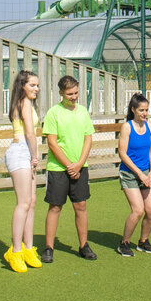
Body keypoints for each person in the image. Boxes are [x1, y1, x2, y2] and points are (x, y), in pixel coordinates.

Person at [40, 75, 96, 262]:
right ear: (61, 93)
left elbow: (88, 138)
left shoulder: (83, 112)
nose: (73, 96)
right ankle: (48, 247)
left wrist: (79, 163)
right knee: (55, 207)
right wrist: (69, 165)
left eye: (76, 93)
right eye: (69, 93)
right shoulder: (53, 113)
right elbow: (52, 143)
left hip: (81, 167)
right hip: (57, 169)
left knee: (81, 206)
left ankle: (83, 245)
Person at [3, 70, 43, 273]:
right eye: (32, 85)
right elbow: (30, 132)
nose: (36, 89)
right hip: (21, 152)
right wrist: (35, 156)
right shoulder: (25, 103)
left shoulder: (27, 102)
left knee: (32, 202)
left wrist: (33, 156)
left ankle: (28, 248)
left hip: (25, 152)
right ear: (23, 86)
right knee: (24, 202)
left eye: (37, 85)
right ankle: (15, 251)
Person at [115, 92, 151, 257]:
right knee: (138, 210)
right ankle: (124, 243)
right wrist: (139, 174)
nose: (144, 113)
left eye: (146, 110)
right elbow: (122, 153)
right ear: (133, 109)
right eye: (141, 110)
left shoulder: (150, 126)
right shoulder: (127, 127)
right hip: (130, 173)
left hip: (146, 173)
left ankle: (143, 241)